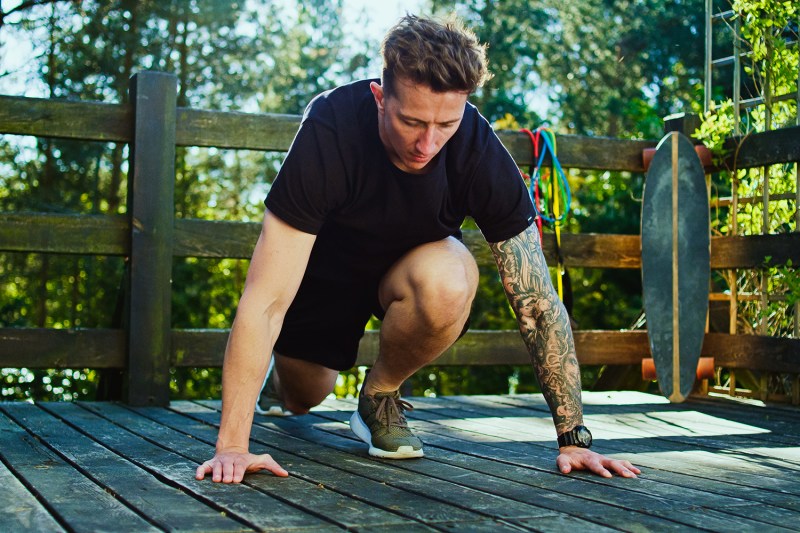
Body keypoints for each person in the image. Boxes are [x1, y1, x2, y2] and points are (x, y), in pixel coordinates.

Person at [196, 14, 640, 484]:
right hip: (326, 282)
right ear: (380, 97)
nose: (428, 143)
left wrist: (574, 438)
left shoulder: (476, 148)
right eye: (411, 121)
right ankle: (279, 383)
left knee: (453, 275)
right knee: (305, 397)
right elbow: (264, 299)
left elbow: (536, 303)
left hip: (413, 273)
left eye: (445, 123)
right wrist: (232, 448)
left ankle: (379, 396)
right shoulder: (331, 128)